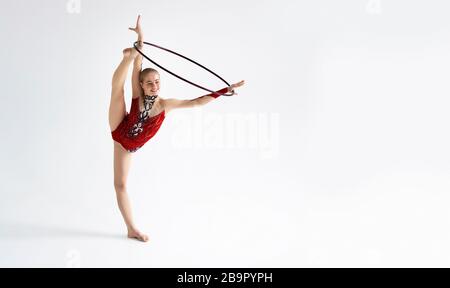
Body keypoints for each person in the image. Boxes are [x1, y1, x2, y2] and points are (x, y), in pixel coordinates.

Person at [108, 15, 245, 242]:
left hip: (129, 146)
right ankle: (124, 58)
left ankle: (131, 229)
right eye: (149, 82)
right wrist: (139, 42)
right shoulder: (137, 95)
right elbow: (139, 65)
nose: (154, 85)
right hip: (119, 128)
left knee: (120, 185)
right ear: (142, 84)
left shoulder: (165, 105)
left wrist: (224, 90)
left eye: (157, 82)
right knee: (116, 91)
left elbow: (196, 102)